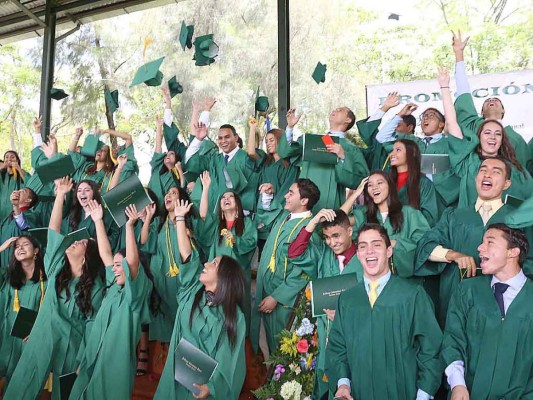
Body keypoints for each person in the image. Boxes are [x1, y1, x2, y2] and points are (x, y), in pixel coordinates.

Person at [4, 177, 104, 400]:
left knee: (66, 394)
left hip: (73, 347)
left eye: (81, 243)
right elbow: (54, 231)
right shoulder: (57, 269)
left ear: (88, 256)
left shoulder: (94, 287)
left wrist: (83, 362)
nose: (74, 242)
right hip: (43, 336)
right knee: (23, 385)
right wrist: (60, 195)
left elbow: (92, 326)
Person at [325, 224, 443, 400]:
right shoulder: (348, 300)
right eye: (363, 246)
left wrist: (424, 394)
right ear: (358, 254)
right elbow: (337, 348)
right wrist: (343, 384)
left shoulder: (412, 295)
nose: (369, 251)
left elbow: (431, 350)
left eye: (376, 244)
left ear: (389, 251)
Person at [415, 157, 533, 325]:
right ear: (476, 178)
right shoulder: (454, 216)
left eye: (495, 172)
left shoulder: (518, 218)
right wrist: (453, 255)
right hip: (455, 298)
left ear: (507, 184)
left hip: (503, 302)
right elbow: (425, 247)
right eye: (483, 170)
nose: (487, 174)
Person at [154, 200, 246, 399]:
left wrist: (211, 387)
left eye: (214, 262)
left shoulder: (234, 315)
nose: (206, 263)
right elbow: (187, 255)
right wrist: (179, 218)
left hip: (202, 386)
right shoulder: (192, 291)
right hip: (176, 377)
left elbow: (231, 358)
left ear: (224, 276)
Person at [69, 202, 152, 399]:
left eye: (118, 265)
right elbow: (106, 255)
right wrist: (98, 221)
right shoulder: (114, 288)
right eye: (113, 266)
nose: (113, 269)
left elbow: (131, 262)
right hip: (92, 359)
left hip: (115, 367)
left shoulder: (136, 294)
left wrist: (130, 227)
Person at [442, 223, 533, 399]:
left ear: (513, 252)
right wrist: (457, 384)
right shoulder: (467, 290)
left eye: (489, 242)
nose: (479, 248)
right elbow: (453, 340)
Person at [287, 208, 363, 399]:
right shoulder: (323, 254)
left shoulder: (365, 258)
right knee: (324, 383)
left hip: (356, 339)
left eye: (336, 235)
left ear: (350, 231)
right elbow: (295, 253)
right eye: (327, 237)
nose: (331, 242)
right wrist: (313, 222)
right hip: (326, 335)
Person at [438, 60, 533, 207]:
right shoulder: (469, 163)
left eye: (498, 134)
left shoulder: (516, 171)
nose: (492, 136)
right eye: (487, 132)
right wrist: (444, 87)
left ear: (503, 140)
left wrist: (504, 207)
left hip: (505, 227)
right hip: (470, 226)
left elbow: (525, 205)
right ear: (479, 137)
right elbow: (452, 122)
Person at [251, 178, 320, 355]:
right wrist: (267, 195)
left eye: (291, 193)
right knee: (271, 344)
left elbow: (304, 273)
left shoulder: (308, 231)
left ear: (304, 201)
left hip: (284, 301)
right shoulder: (285, 217)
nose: (286, 196)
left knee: (283, 349)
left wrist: (276, 297)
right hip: (267, 290)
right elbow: (266, 216)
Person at [452, 30, 530, 168]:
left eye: (496, 100)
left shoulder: (517, 139)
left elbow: (524, 173)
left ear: (503, 110)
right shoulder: (473, 126)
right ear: (481, 112)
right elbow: (463, 91)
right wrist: (459, 56)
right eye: (486, 101)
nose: (491, 100)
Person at [376, 95, 462, 208]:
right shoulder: (411, 141)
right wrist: (400, 115)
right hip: (414, 197)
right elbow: (382, 137)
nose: (425, 118)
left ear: (441, 124)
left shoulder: (450, 143)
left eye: (431, 116)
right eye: (424, 116)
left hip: (443, 199)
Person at [277, 107, 369, 211]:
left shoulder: (351, 149)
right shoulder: (311, 141)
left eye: (340, 110)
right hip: (303, 199)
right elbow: (285, 152)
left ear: (348, 120)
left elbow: (361, 180)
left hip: (331, 202)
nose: (334, 110)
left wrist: (343, 157)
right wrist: (290, 127)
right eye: (335, 109)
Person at [197, 172, 257, 332]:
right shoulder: (217, 225)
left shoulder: (247, 224)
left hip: (237, 275)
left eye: (230, 196)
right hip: (217, 276)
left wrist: (236, 240)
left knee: (238, 311)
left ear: (237, 204)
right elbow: (203, 215)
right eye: (223, 198)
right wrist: (206, 188)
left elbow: (251, 243)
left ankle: (242, 343)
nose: (226, 199)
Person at [341, 171, 431, 277]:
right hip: (372, 279)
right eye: (370, 185)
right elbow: (338, 220)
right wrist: (356, 193)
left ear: (390, 186)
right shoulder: (365, 215)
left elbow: (424, 243)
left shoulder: (408, 213)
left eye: (379, 183)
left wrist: (395, 244)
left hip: (402, 279)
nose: (374, 187)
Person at [185, 99, 259, 213]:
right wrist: (198, 139)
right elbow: (190, 162)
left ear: (236, 137)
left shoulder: (245, 158)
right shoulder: (214, 159)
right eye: (220, 138)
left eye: (227, 137)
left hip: (239, 216)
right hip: (215, 216)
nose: (223, 141)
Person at [149, 185, 197, 344]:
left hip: (181, 279)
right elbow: (144, 243)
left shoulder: (190, 224)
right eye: (167, 193)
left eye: (173, 193)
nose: (168, 195)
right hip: (160, 279)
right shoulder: (158, 222)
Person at [247, 118, 298, 256]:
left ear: (280, 141)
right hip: (262, 214)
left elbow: (288, 192)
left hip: (279, 215)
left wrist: (273, 194)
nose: (268, 143)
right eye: (266, 141)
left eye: (271, 140)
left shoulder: (291, 166)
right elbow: (251, 152)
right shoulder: (265, 162)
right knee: (263, 253)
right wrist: (252, 128)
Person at [0, 235, 46, 386]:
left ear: (36, 251)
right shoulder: (8, 277)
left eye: (25, 244)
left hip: (30, 340)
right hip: (6, 337)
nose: (19, 248)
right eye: (17, 246)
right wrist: (3, 247)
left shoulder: (47, 281)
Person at [389, 139, 442, 226]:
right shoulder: (386, 182)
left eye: (398, 150)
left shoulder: (424, 184)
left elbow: (431, 217)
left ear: (412, 153)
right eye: (392, 150)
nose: (392, 154)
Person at [0, 150, 28, 221]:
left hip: (15, 212)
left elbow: (29, 183)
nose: (9, 159)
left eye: (12, 157)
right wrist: (3, 168)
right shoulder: (2, 175)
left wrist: (18, 168)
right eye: (6, 157)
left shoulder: (21, 173)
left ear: (17, 160)